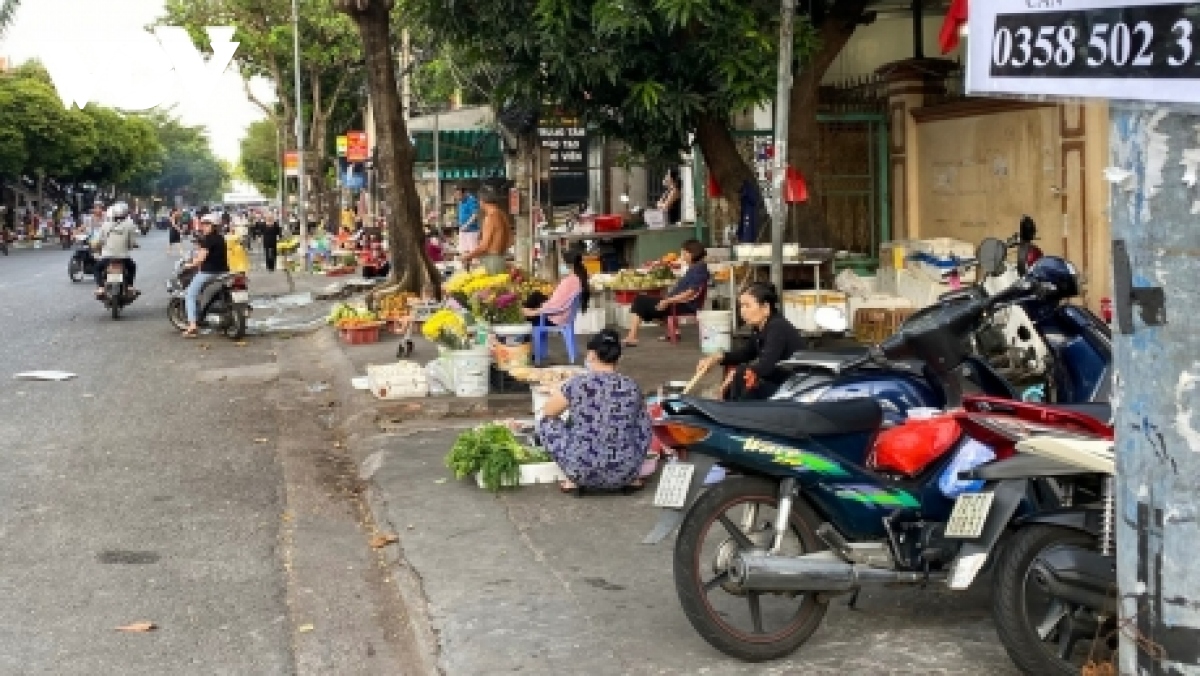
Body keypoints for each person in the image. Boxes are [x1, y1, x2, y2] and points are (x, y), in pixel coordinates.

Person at [536, 329, 652, 494]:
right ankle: (633, 477)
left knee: (547, 422)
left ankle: (572, 480)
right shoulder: (631, 386)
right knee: (643, 417)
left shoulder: (577, 384)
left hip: (582, 472)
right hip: (625, 473)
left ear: (591, 355)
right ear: (618, 357)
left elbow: (549, 412)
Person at [698, 282, 805, 401]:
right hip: (779, 381)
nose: (742, 311)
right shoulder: (760, 327)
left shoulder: (777, 327)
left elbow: (765, 365)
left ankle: (733, 410)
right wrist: (717, 357)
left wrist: (738, 372)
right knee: (737, 370)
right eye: (741, 306)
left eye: (747, 306)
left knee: (742, 374)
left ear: (765, 308)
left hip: (792, 388)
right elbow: (746, 353)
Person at [622, 239, 709, 346]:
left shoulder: (698, 269)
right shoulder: (696, 267)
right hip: (678, 303)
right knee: (645, 304)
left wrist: (667, 301)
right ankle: (672, 331)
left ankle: (632, 337)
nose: (682, 256)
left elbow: (691, 292)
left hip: (682, 305)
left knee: (640, 300)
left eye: (683, 253)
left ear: (691, 254)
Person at [180, 214, 230, 338]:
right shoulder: (221, 238)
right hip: (223, 273)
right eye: (203, 224)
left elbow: (200, 259)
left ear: (213, 226)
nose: (204, 227)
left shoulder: (208, 239)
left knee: (190, 295)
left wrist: (190, 265)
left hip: (208, 273)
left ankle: (192, 325)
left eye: (207, 224)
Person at [523, 251, 589, 326]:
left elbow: (557, 305)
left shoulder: (569, 281)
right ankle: (525, 312)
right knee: (537, 295)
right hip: (563, 315)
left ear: (570, 265)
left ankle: (524, 314)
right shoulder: (578, 279)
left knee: (530, 308)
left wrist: (536, 312)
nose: (561, 265)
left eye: (563, 262)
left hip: (554, 318)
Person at [461, 186, 513, 274]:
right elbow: (510, 240)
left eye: (479, 201)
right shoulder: (502, 214)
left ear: (482, 201)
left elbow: (484, 246)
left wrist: (467, 256)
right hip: (500, 258)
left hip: (493, 261)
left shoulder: (490, 217)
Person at [94, 204, 139, 297]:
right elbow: (132, 243)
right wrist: (132, 246)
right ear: (126, 214)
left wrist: (98, 246)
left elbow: (99, 241)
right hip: (123, 258)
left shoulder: (105, 225)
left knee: (97, 268)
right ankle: (130, 286)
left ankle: (101, 287)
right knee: (132, 267)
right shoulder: (130, 225)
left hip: (107, 257)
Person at [455, 186, 480, 255]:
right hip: (462, 231)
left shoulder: (471, 200)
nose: (458, 197)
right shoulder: (460, 202)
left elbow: (475, 215)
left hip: (472, 232)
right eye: (456, 195)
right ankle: (465, 265)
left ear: (465, 193)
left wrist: (466, 225)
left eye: (459, 195)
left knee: (473, 252)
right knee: (463, 252)